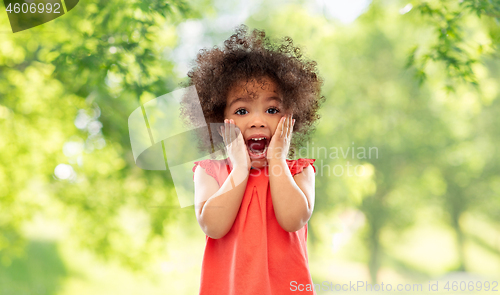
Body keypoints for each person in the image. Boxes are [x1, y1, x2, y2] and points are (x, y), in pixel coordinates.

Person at [181, 24, 325, 295]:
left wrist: (278, 161)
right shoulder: (210, 172)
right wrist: (239, 169)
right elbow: (213, 226)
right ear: (217, 119)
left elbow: (294, 219)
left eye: (272, 109)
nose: (258, 121)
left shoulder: (299, 170)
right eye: (242, 110)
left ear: (290, 119)